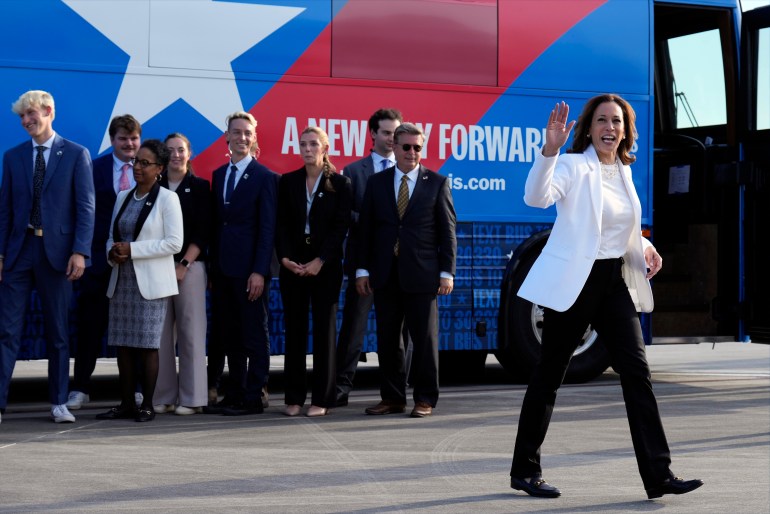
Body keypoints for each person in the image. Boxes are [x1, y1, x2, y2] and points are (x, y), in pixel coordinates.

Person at [508, 96, 703, 500]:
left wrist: (644, 249)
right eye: (601, 120)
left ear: (626, 129)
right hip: (575, 284)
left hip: (614, 281)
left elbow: (621, 228)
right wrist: (550, 149)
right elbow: (536, 197)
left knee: (637, 372)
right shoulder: (573, 165)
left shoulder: (624, 171)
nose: (609, 127)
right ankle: (525, 470)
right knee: (549, 375)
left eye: (616, 121)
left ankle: (659, 475)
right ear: (589, 127)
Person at [0, 90, 95, 425]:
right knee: (7, 331)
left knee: (58, 333)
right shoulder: (12, 157)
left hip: (58, 256)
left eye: (31, 114)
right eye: (22, 117)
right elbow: (5, 210)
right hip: (19, 253)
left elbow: (86, 208)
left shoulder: (75, 154)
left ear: (49, 112)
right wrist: (1, 253)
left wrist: (80, 251)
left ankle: (58, 401)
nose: (27, 121)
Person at [357, 122, 456, 418]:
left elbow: (447, 231)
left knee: (424, 342)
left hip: (423, 276)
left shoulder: (437, 183)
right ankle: (392, 398)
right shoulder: (377, 183)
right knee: (388, 341)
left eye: (417, 147)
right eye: (406, 147)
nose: (412, 152)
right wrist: (362, 270)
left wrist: (446, 273)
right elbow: (365, 231)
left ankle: (425, 398)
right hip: (385, 275)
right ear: (394, 148)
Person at [96, 139, 183, 422]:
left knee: (146, 346)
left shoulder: (168, 199)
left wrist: (132, 250)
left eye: (145, 163)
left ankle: (147, 403)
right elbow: (112, 235)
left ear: (159, 168)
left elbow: (174, 243)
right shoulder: (123, 196)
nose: (138, 168)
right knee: (123, 344)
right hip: (122, 281)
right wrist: (113, 252)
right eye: (136, 162)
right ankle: (125, 403)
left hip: (151, 285)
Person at [205, 111, 277, 416]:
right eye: (237, 132)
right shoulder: (219, 175)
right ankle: (233, 392)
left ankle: (254, 395)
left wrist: (260, 271)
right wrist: (212, 268)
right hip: (223, 271)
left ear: (254, 138)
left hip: (250, 272)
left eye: (248, 133)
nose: (242, 138)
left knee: (253, 335)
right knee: (229, 334)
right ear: (227, 137)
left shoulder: (266, 177)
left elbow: (267, 230)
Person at [67, 114, 141, 410]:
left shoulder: (147, 169)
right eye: (123, 138)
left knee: (134, 330)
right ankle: (80, 387)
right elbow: (80, 211)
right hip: (97, 262)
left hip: (135, 262)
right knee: (90, 328)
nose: (129, 144)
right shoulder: (92, 167)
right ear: (113, 141)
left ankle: (137, 388)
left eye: (134, 138)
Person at [276, 127, 352, 417]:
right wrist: (285, 258)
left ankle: (322, 399)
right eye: (303, 144)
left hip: (326, 266)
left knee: (324, 331)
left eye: (313, 144)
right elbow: (281, 224)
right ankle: (294, 398)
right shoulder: (288, 181)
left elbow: (340, 227)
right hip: (293, 264)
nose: (307, 149)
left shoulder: (340, 183)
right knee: (294, 331)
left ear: (324, 148)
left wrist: (321, 260)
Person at [335, 108, 402, 407]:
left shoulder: (408, 170)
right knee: (353, 330)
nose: (391, 138)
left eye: (395, 133)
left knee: (398, 334)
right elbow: (344, 213)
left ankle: (398, 390)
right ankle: (340, 389)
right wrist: (374, 220)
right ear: (373, 134)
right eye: (386, 132)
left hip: (399, 265)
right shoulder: (353, 172)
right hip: (363, 262)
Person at [152, 133, 211, 415]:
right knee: (160, 335)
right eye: (170, 150)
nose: (176, 155)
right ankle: (163, 395)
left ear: (189, 153)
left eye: (181, 150)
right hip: (157, 269)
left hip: (190, 268)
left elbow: (203, 231)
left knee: (191, 334)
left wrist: (184, 264)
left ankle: (192, 398)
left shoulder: (200, 187)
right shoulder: (154, 186)